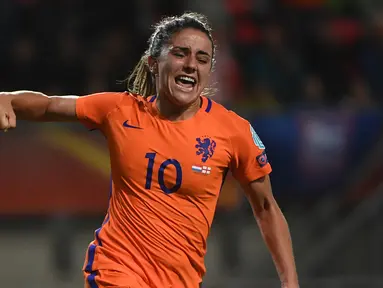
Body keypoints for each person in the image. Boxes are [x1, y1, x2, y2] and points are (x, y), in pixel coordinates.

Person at [0, 12, 299, 288]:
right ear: (153, 63)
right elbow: (50, 105)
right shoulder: (120, 111)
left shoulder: (234, 131)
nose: (191, 65)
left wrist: (290, 283)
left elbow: (266, 208)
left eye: (202, 58)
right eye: (180, 53)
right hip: (115, 269)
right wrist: (7, 98)